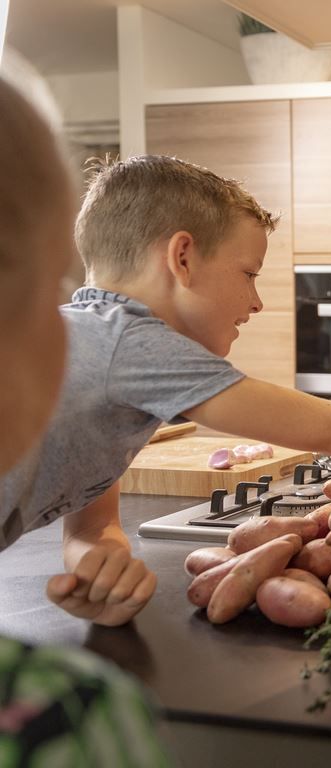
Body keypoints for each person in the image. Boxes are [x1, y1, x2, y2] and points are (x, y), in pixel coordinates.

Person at [0, 153, 331, 628]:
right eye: (249, 273)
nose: (256, 303)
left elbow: (91, 530)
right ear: (182, 258)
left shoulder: (102, 350)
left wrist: (102, 569)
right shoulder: (127, 342)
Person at [0, 76, 172, 766]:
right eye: (57, 291)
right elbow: (330, 427)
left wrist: (98, 550)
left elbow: (92, 524)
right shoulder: (62, 715)